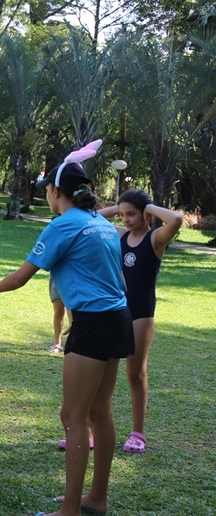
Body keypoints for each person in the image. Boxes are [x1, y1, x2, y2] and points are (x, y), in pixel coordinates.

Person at [0, 141, 134, 516]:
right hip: (119, 318)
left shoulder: (63, 224)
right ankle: (97, 497)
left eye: (46, 187)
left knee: (73, 415)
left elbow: (22, 276)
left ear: (56, 193)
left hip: (92, 323)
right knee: (100, 412)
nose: (45, 193)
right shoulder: (102, 224)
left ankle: (70, 513)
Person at [98, 190, 182, 454]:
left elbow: (177, 220)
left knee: (135, 373)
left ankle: (138, 433)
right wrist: (116, 209)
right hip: (114, 309)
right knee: (99, 373)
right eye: (123, 215)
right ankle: (93, 430)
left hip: (142, 313)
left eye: (131, 214)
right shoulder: (121, 235)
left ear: (145, 214)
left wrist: (150, 207)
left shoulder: (155, 239)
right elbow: (92, 219)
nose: (126, 220)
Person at [48, 279, 72, 353]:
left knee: (72, 313)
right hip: (57, 281)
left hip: (73, 280)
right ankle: (57, 343)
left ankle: (71, 342)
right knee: (58, 312)